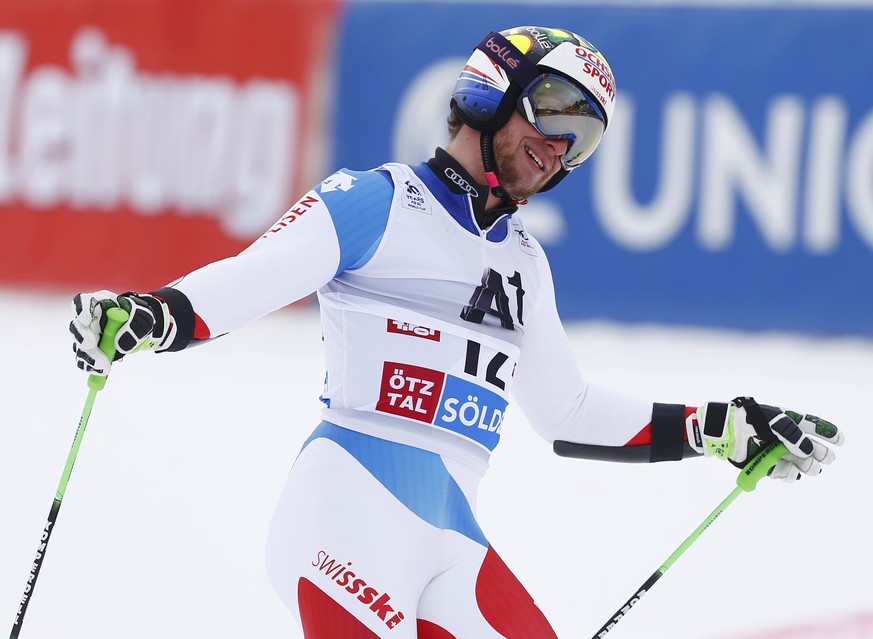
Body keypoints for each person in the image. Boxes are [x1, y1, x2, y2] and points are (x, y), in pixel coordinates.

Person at [69, 26, 843, 638]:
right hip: (345, 514)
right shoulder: (380, 200)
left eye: (585, 136)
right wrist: (148, 314)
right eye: (555, 111)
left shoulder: (526, 264)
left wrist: (717, 427)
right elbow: (249, 279)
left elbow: (565, 413)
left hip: (450, 537)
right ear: (490, 92)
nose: (560, 147)